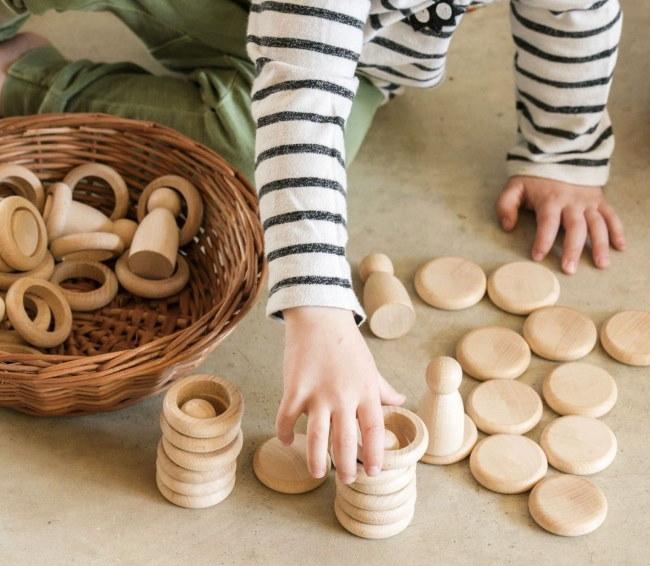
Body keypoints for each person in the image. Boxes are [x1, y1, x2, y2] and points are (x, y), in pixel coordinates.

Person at [0, 0, 625, 486]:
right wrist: (319, 311)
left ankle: (21, 76)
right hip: (293, 35)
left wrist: (563, 154)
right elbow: (303, 93)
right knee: (291, 113)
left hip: (360, 49)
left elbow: (576, 10)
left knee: (251, 157)